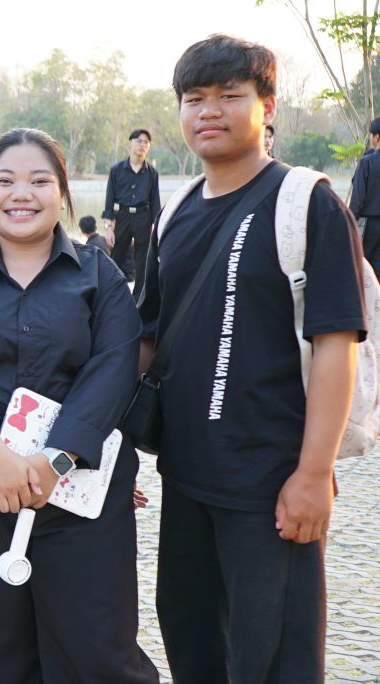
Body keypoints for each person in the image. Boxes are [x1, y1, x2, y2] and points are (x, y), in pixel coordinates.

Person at [141, 34, 365, 682]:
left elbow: (336, 341)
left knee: (273, 662)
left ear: (267, 107)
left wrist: (313, 474)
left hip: (271, 483)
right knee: (193, 646)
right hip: (186, 476)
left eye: (229, 95)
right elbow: (146, 337)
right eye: (194, 98)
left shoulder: (306, 203)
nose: (208, 111)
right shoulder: (175, 213)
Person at [0, 128, 159, 683]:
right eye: (5, 180)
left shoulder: (101, 276)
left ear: (63, 193)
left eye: (39, 181)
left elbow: (113, 371)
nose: (21, 193)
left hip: (78, 492)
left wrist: (56, 459)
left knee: (97, 650)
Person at [102, 128, 161, 299]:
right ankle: (111, 294)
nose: (142, 145)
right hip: (122, 216)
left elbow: (155, 201)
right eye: (139, 141)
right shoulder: (117, 170)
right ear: (131, 143)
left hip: (144, 217)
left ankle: (138, 299)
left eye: (146, 142)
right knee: (116, 257)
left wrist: (156, 226)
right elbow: (109, 200)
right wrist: (108, 227)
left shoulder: (152, 173)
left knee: (143, 261)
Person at [349, 117, 380, 279]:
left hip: (370, 225)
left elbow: (357, 199)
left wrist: (349, 220)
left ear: (376, 137)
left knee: (363, 267)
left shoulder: (367, 162)